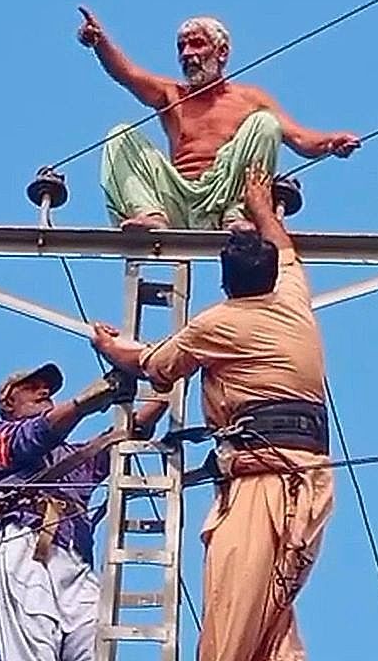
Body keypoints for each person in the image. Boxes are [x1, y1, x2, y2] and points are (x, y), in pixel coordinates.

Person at [90, 166, 335, 661]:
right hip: (309, 482)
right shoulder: (292, 299)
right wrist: (262, 208)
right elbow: (284, 249)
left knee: (231, 624)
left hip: (263, 483)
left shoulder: (220, 323)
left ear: (225, 284)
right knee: (270, 621)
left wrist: (113, 347)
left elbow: (155, 365)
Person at [0, 362, 169, 661]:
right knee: (34, 644)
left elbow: (127, 436)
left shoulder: (70, 455)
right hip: (25, 549)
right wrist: (86, 401)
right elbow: (35, 435)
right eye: (31, 387)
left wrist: (169, 378)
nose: (43, 391)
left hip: (73, 561)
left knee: (96, 641)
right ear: (8, 402)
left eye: (48, 389)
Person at [77, 7, 361, 230]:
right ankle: (150, 214)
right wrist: (100, 42)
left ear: (221, 52)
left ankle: (239, 213)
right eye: (182, 47)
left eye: (197, 45)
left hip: (226, 199)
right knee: (120, 134)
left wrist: (331, 143)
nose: (188, 54)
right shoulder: (170, 94)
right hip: (177, 198)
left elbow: (299, 138)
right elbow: (127, 74)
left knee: (266, 123)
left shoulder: (249, 98)